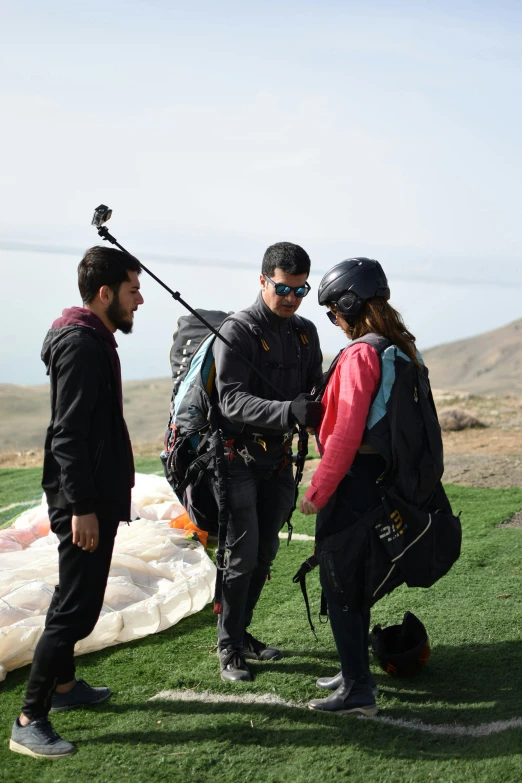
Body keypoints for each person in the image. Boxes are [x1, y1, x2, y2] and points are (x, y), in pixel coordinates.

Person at [10, 246, 144, 759]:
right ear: (105, 293)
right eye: (132, 290)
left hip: (89, 493)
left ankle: (64, 689)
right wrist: (82, 506)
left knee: (72, 596)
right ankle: (29, 718)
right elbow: (66, 435)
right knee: (77, 611)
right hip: (82, 499)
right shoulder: (83, 346)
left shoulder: (93, 338)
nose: (139, 300)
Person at [299, 257, 421, 716]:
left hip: (352, 485)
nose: (334, 320)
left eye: (333, 311)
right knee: (357, 579)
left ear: (349, 304)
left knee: (341, 584)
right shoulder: (400, 346)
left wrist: (318, 491)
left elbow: (347, 432)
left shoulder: (359, 354)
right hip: (383, 483)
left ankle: (357, 692)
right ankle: (353, 670)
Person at [213, 241, 323, 682]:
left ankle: (240, 634)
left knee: (264, 553)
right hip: (235, 456)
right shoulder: (236, 332)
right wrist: (286, 412)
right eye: (283, 288)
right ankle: (227, 647)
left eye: (301, 290)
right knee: (240, 555)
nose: (291, 298)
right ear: (262, 280)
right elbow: (230, 399)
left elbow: (315, 391)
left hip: (279, 459)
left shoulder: (306, 333)